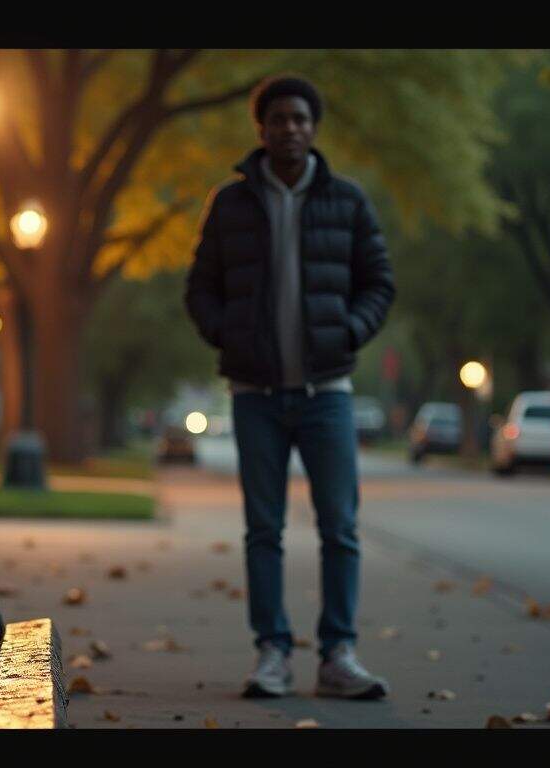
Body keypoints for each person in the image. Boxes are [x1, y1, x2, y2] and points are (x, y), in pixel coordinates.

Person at [184, 75, 396, 699]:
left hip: (326, 393)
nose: (290, 128)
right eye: (278, 119)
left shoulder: (347, 201)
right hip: (255, 395)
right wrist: (229, 336)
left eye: (300, 118)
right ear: (262, 128)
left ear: (314, 127)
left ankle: (338, 657)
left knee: (340, 528)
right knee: (263, 531)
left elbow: (379, 281)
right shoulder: (230, 203)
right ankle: (272, 653)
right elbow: (199, 288)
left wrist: (350, 331)